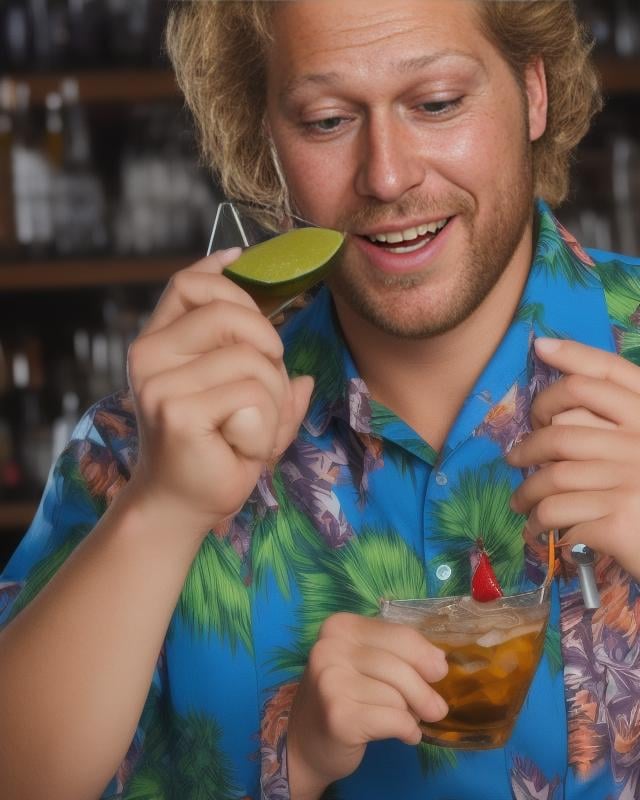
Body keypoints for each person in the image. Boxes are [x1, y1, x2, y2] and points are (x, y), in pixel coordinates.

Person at [1, 1, 639, 798]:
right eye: (328, 120)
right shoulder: (150, 441)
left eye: (436, 104)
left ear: (533, 93)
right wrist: (159, 508)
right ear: (265, 138)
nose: (387, 175)